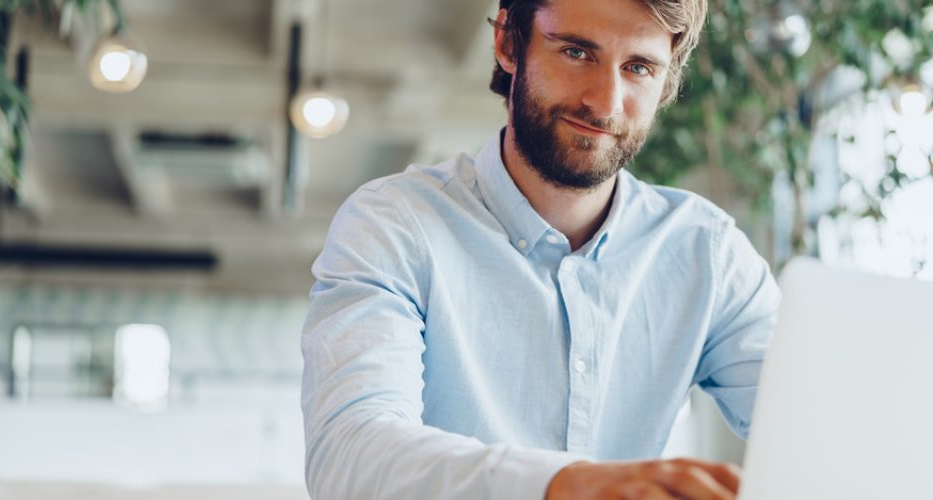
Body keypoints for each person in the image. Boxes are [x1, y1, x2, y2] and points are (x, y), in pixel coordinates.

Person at [301, 0, 780, 498]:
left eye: (638, 67)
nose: (606, 102)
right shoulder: (394, 224)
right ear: (509, 42)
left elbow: (822, 424)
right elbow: (349, 455)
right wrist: (561, 485)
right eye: (576, 52)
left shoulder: (708, 252)